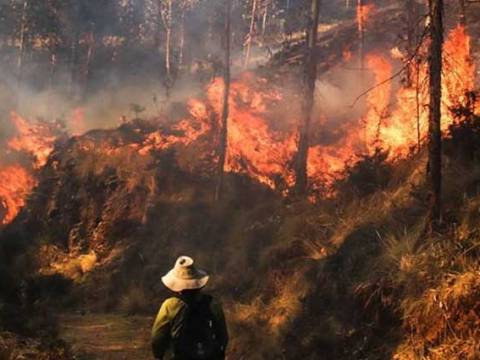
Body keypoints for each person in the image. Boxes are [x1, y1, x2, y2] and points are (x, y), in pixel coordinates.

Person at [152, 256, 228, 360]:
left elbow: (157, 338)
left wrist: (159, 356)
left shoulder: (170, 305)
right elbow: (223, 336)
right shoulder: (212, 303)